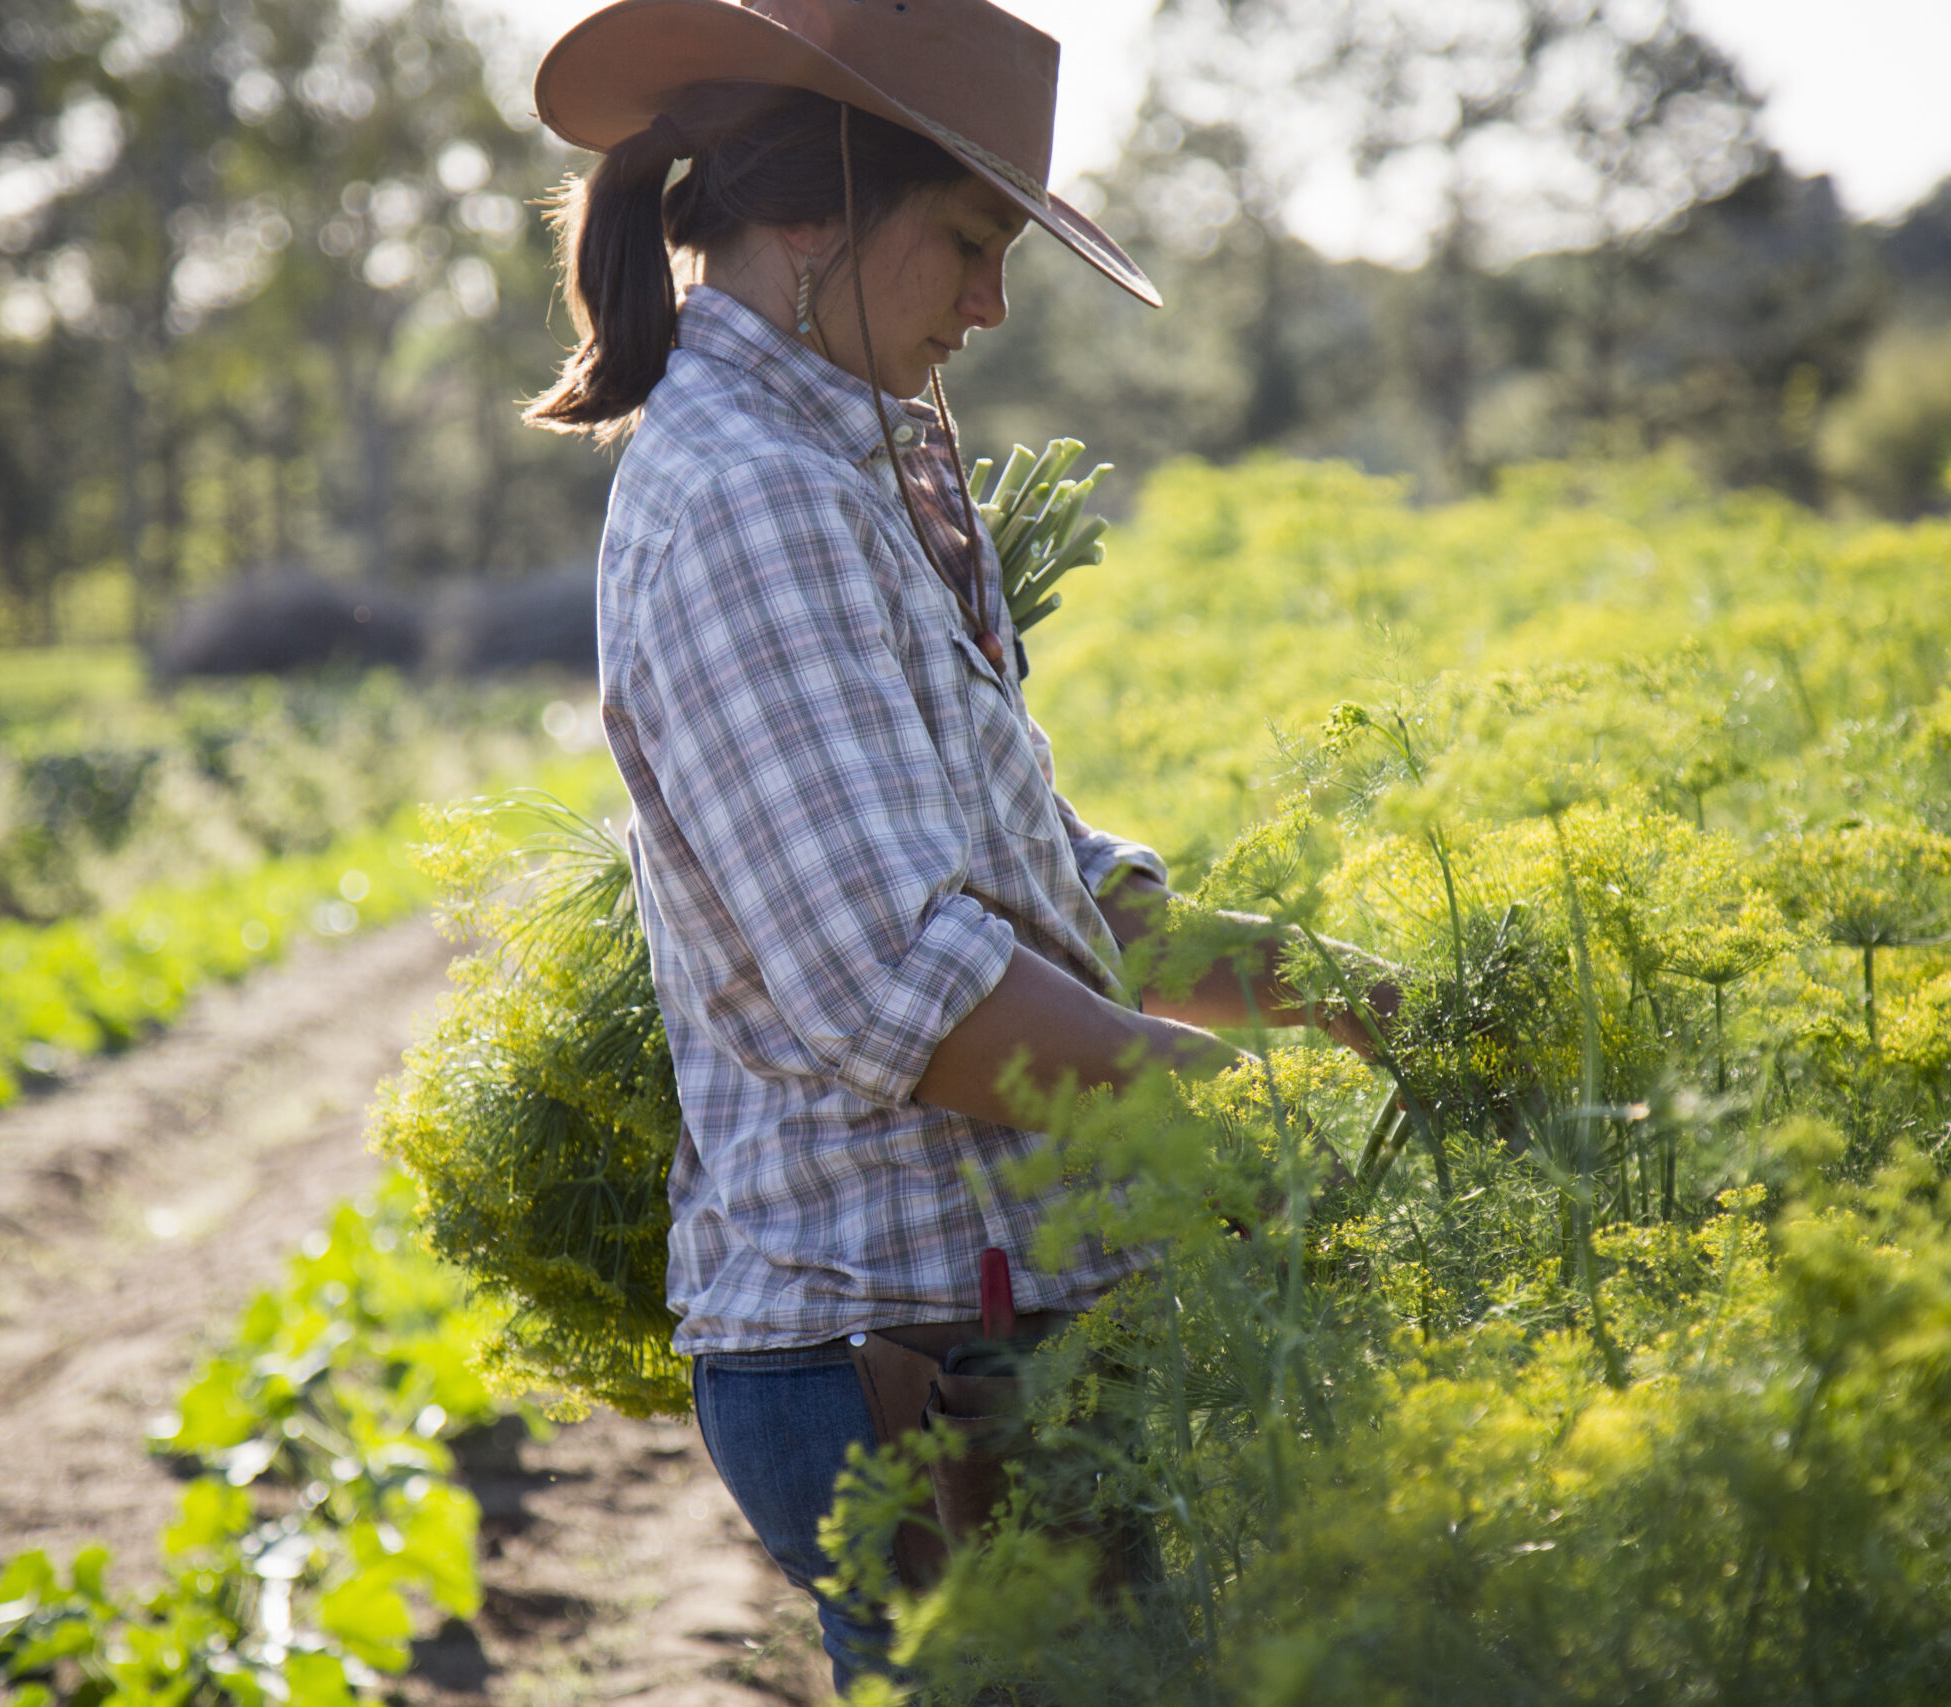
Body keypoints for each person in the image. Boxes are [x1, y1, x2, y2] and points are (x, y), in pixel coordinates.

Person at [524, 0, 1389, 1685]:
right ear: (811, 207)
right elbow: (898, 990)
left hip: (983, 1324)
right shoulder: (753, 496)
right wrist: (1232, 1127)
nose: (993, 303)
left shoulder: (874, 459)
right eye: (970, 242)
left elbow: (1038, 875)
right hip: (902, 1354)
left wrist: (1338, 998)